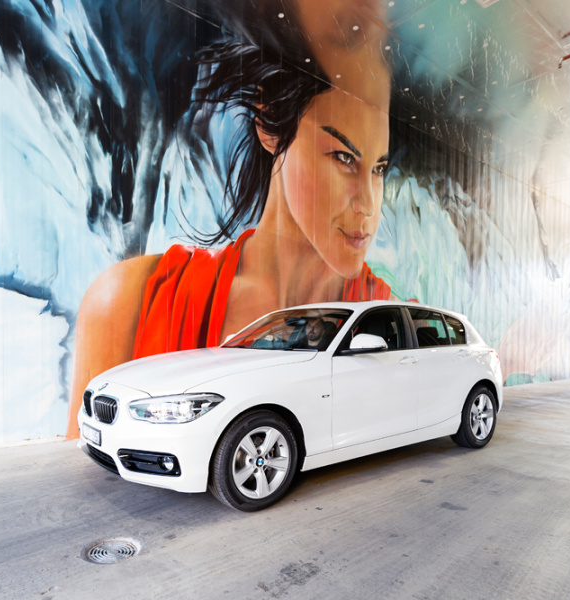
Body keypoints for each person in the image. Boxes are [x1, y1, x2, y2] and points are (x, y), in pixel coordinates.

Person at [66, 0, 394, 438]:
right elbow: (86, 468)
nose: (368, 205)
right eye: (343, 157)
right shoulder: (131, 303)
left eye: (379, 168)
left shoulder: (390, 319)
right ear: (269, 121)